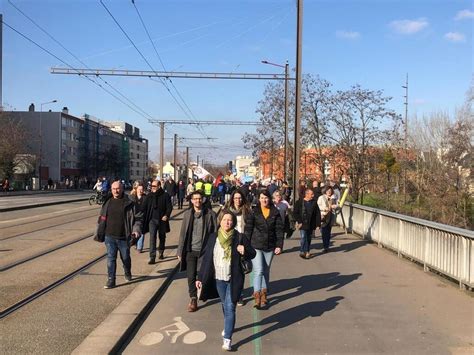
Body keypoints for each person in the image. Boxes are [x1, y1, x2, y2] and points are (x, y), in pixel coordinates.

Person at [196, 209, 256, 351]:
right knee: (224, 304)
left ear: (233, 222)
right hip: (219, 278)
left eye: (229, 220)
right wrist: (199, 278)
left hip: (234, 278)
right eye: (224, 220)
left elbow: (252, 253)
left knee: (230, 307)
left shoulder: (240, 237)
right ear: (220, 221)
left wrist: (244, 250)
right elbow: (206, 260)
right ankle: (228, 325)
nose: (227, 222)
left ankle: (227, 338)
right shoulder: (213, 238)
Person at [94, 181, 142, 289]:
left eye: (118, 188)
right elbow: (102, 216)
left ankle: (127, 271)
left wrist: (136, 230)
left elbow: (138, 218)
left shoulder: (129, 202)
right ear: (111, 189)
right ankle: (111, 280)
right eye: (114, 189)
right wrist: (99, 228)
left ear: (122, 189)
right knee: (111, 258)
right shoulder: (107, 201)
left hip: (124, 237)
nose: (116, 191)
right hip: (109, 236)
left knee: (125, 258)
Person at [177, 190, 217, 312]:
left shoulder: (210, 214)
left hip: (204, 251)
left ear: (203, 199)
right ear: (191, 200)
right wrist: (179, 251)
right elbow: (182, 234)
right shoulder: (188, 214)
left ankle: (203, 293)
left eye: (199, 198)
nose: (197, 201)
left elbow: (215, 233)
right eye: (195, 198)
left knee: (202, 276)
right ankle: (193, 298)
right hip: (190, 250)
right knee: (190, 276)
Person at [244, 190, 284, 309]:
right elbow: (248, 229)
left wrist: (279, 245)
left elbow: (279, 230)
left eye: (266, 198)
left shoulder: (275, 212)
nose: (264, 200)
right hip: (256, 245)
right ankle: (257, 295)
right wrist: (246, 245)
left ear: (270, 199)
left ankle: (264, 293)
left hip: (270, 246)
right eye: (262, 198)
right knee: (259, 270)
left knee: (266, 270)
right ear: (258, 199)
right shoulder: (254, 211)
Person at [225, 189, 251, 306]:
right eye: (235, 198)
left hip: (242, 242)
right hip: (230, 241)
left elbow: (250, 226)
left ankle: (239, 294)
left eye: (240, 198)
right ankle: (230, 292)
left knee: (240, 270)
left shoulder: (247, 211)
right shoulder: (227, 211)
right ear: (232, 199)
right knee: (229, 268)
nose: (238, 200)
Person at [143, 180, 172, 263]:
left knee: (162, 237)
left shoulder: (165, 195)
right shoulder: (149, 196)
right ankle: (152, 257)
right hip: (152, 220)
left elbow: (169, 207)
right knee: (152, 238)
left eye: (154, 186)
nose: (152, 188)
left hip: (162, 220)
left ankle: (161, 251)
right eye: (152, 186)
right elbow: (144, 207)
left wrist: (166, 215)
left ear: (159, 186)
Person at [293, 188, 321, 259]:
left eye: (313, 194)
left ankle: (307, 251)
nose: (313, 195)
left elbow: (317, 214)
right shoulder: (299, 202)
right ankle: (302, 251)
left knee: (308, 238)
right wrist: (299, 221)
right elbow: (295, 213)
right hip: (302, 223)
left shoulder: (314, 202)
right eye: (311, 194)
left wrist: (318, 224)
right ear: (307, 194)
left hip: (311, 223)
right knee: (303, 237)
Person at [317, 186, 338, 253]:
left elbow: (338, 205)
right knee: (324, 231)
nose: (329, 192)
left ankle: (327, 246)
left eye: (330, 190)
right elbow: (317, 206)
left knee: (328, 232)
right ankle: (325, 246)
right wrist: (324, 208)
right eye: (328, 190)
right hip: (324, 216)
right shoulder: (321, 197)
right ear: (325, 191)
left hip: (331, 216)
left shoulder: (334, 198)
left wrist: (335, 206)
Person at [129, 181, 147, 253]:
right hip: (133, 217)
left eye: (142, 189)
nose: (141, 191)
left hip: (142, 217)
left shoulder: (145, 197)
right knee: (134, 232)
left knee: (141, 232)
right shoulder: (132, 197)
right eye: (139, 189)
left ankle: (140, 247)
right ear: (136, 189)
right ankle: (136, 243)